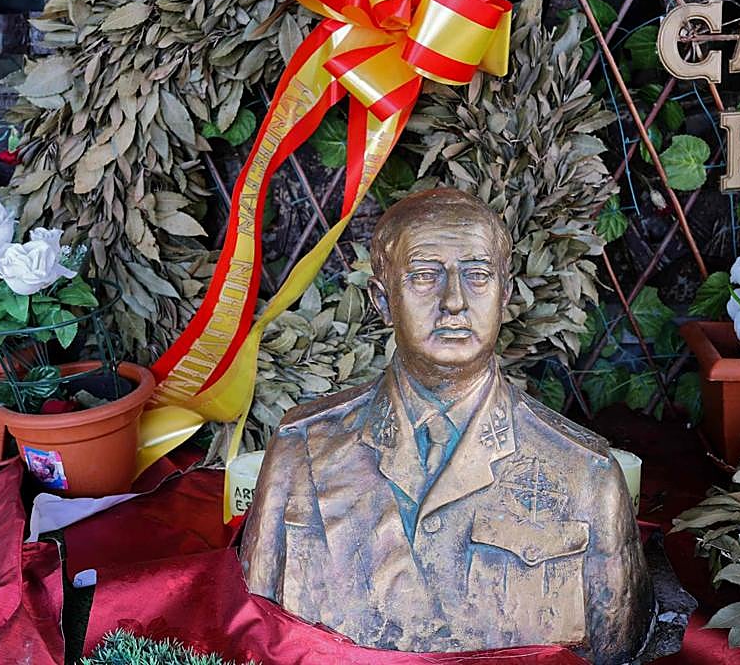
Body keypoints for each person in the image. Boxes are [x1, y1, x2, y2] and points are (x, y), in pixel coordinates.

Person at [241, 188, 653, 662]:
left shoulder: (585, 473)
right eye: (424, 276)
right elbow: (253, 635)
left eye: (477, 275)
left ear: (505, 292)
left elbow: (615, 647)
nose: (453, 302)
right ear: (381, 298)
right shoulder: (303, 449)